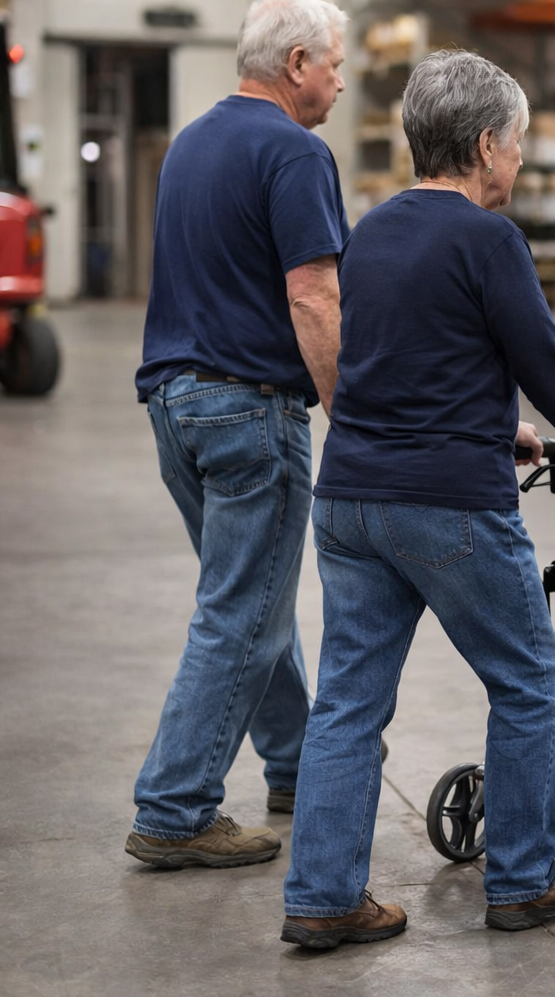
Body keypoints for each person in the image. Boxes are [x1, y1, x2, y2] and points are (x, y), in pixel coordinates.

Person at [280, 49, 555, 948]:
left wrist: (497, 429)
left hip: (348, 498)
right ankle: (525, 879)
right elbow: (550, 369)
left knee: (348, 703)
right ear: (488, 143)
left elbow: (390, 361)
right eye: (522, 145)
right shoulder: (489, 239)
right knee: (531, 682)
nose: (524, 162)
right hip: (448, 508)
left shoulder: (373, 231)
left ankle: (322, 898)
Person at [126, 0, 351, 870]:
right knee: (241, 613)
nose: (338, 78)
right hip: (249, 410)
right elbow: (313, 298)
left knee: (249, 596)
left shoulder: (191, 143)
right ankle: (173, 810)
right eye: (333, 63)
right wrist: (350, 417)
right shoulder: (295, 151)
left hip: (173, 406)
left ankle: (292, 764)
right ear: (296, 62)